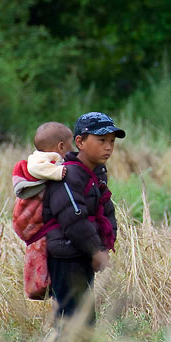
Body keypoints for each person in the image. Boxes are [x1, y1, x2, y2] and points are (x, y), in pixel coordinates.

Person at [42, 111, 125, 320]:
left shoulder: (97, 174)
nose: (109, 147)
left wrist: (103, 248)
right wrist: (96, 250)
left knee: (84, 319)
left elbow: (107, 212)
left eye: (112, 141)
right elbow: (74, 219)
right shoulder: (67, 175)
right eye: (101, 140)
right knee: (73, 321)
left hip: (81, 255)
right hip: (66, 257)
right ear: (80, 142)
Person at [11, 122, 74, 300]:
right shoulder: (42, 160)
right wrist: (59, 172)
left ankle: (43, 285)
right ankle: (40, 286)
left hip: (41, 226)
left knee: (40, 257)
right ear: (61, 146)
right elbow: (36, 169)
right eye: (71, 146)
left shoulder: (47, 158)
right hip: (37, 222)